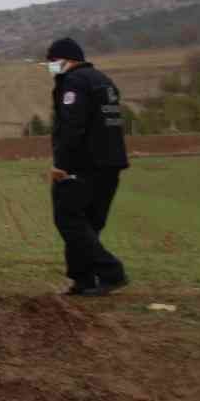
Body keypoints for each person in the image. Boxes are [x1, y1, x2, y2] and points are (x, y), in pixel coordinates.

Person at [46, 37, 129, 296]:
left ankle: (111, 272)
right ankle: (83, 280)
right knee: (89, 224)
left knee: (68, 219)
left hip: (83, 164)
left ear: (65, 59)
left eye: (52, 61)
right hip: (111, 163)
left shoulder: (74, 82)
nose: (51, 67)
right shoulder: (104, 81)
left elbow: (73, 126)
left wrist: (61, 165)